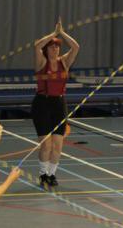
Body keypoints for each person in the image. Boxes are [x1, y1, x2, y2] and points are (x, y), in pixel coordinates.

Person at [32, 18, 80, 187]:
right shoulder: (42, 62)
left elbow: (75, 47)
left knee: (58, 145)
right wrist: (53, 33)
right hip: (42, 104)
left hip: (59, 104)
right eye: (53, 46)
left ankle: (52, 174)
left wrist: (62, 33)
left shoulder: (64, 62)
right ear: (47, 49)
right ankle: (43, 174)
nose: (56, 48)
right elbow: (37, 45)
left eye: (57, 45)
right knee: (46, 145)